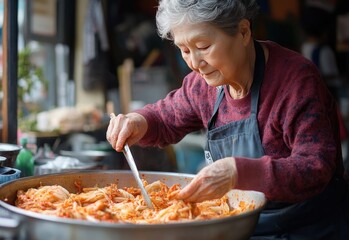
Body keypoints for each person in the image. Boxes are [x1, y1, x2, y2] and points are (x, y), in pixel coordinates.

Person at [107, 0, 349, 239]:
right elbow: (166, 117)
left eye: (203, 46)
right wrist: (139, 121)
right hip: (243, 228)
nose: (194, 63)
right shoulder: (202, 86)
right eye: (184, 50)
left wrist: (237, 172)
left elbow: (315, 166)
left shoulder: (296, 82)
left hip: (309, 229)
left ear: (243, 31)